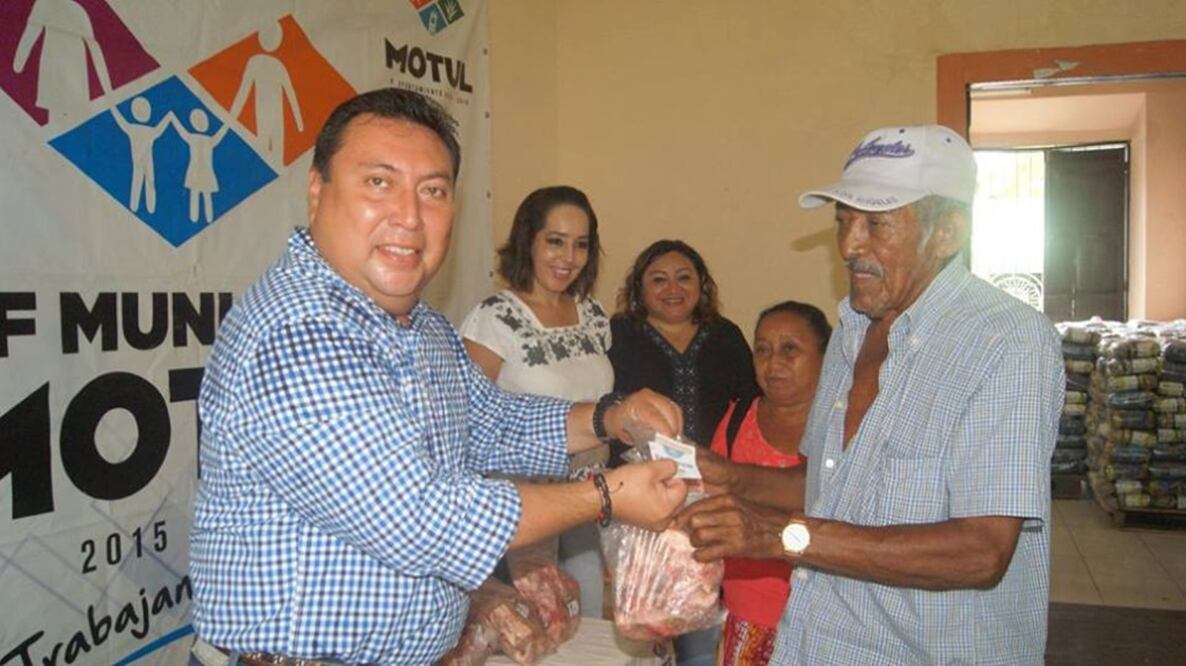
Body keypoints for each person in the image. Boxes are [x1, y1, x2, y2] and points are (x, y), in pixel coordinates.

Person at [189, 88, 689, 666]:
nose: (409, 215)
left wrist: (611, 417)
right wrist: (607, 495)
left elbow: (491, 420)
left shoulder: (419, 324)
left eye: (432, 191)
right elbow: (424, 518)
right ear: (317, 189)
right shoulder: (300, 331)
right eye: (379, 182)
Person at [678, 125, 1064, 665]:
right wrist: (728, 475)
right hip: (820, 643)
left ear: (948, 230)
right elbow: (827, 486)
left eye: (876, 223)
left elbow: (981, 550)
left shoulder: (1006, 342)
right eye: (843, 221)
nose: (849, 245)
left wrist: (777, 537)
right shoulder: (852, 332)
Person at [459, 185, 613, 618]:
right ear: (529, 240)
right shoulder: (494, 318)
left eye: (581, 245)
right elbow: (466, 426)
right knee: (532, 627)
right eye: (555, 241)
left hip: (588, 498)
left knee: (585, 623)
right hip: (524, 509)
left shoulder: (592, 314)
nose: (569, 257)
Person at [608, 239, 757, 666]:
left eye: (683, 277)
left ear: (701, 286)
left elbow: (749, 405)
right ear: (639, 289)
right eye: (658, 279)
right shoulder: (618, 335)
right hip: (640, 500)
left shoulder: (725, 336)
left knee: (699, 617)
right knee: (643, 621)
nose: (672, 288)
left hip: (709, 498)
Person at [709, 301, 829, 666]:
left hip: (824, 627)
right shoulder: (738, 417)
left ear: (826, 357)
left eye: (790, 349)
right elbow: (709, 499)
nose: (773, 362)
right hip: (746, 617)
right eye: (762, 349)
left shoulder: (842, 428)